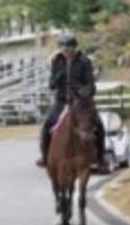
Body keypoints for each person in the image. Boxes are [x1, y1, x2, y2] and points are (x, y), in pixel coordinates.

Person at [36, 34, 106, 169]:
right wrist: (59, 75)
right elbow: (52, 85)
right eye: (62, 47)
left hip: (81, 101)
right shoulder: (57, 60)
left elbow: (91, 85)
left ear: (74, 48)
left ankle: (100, 158)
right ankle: (45, 156)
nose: (65, 50)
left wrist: (82, 92)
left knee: (98, 125)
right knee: (48, 123)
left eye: (68, 47)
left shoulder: (84, 61)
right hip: (62, 100)